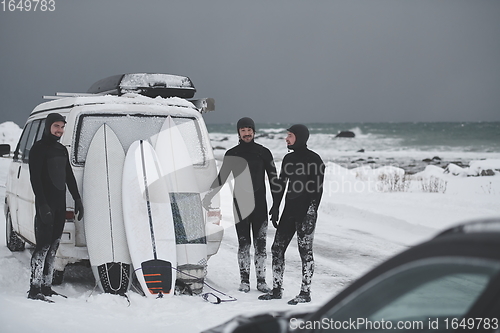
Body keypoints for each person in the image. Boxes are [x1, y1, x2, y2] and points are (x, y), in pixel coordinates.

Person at [203, 117, 278, 293]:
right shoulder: (232, 154)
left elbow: (274, 180)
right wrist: (209, 196)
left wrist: (276, 205)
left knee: (260, 245)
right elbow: (222, 178)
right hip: (240, 206)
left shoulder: (264, 153)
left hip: (260, 205)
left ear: (254, 131)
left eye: (249, 129)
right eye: (243, 130)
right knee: (243, 244)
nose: (247, 133)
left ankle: (261, 281)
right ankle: (244, 281)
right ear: (238, 132)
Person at [259, 124, 325, 305]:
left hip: (306, 213)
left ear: (300, 137)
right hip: (289, 211)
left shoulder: (315, 160)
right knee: (277, 249)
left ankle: (305, 292)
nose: (286, 139)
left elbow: (317, 191)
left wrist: (311, 213)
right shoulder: (288, 160)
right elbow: (282, 184)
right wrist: (276, 207)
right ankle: (277, 289)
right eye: (287, 135)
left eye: (290, 135)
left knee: (305, 252)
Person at [28, 113, 84, 301]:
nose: (59, 130)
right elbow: (35, 179)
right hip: (46, 206)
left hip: (59, 206)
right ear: (48, 127)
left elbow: (68, 176)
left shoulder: (61, 150)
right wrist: (43, 205)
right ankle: (34, 289)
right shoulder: (38, 149)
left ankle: (46, 285)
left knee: (53, 247)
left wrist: (77, 199)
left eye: (62, 127)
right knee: (42, 247)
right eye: (56, 126)